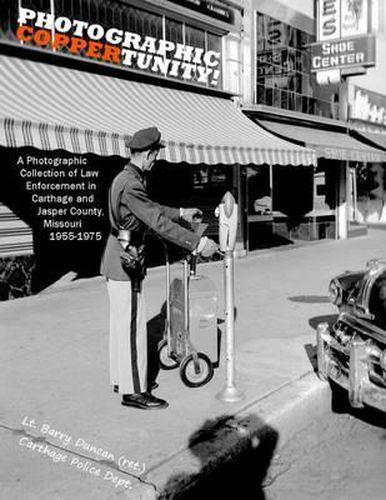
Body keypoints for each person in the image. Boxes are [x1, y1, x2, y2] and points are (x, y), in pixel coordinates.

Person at [100, 126, 218, 410]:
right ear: (148, 154)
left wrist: (180, 212)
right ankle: (135, 392)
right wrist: (198, 243)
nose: (156, 161)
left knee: (121, 326)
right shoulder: (132, 183)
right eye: (155, 155)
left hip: (118, 257)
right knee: (132, 328)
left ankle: (123, 379)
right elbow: (157, 222)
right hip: (125, 260)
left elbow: (150, 209)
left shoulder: (126, 177)